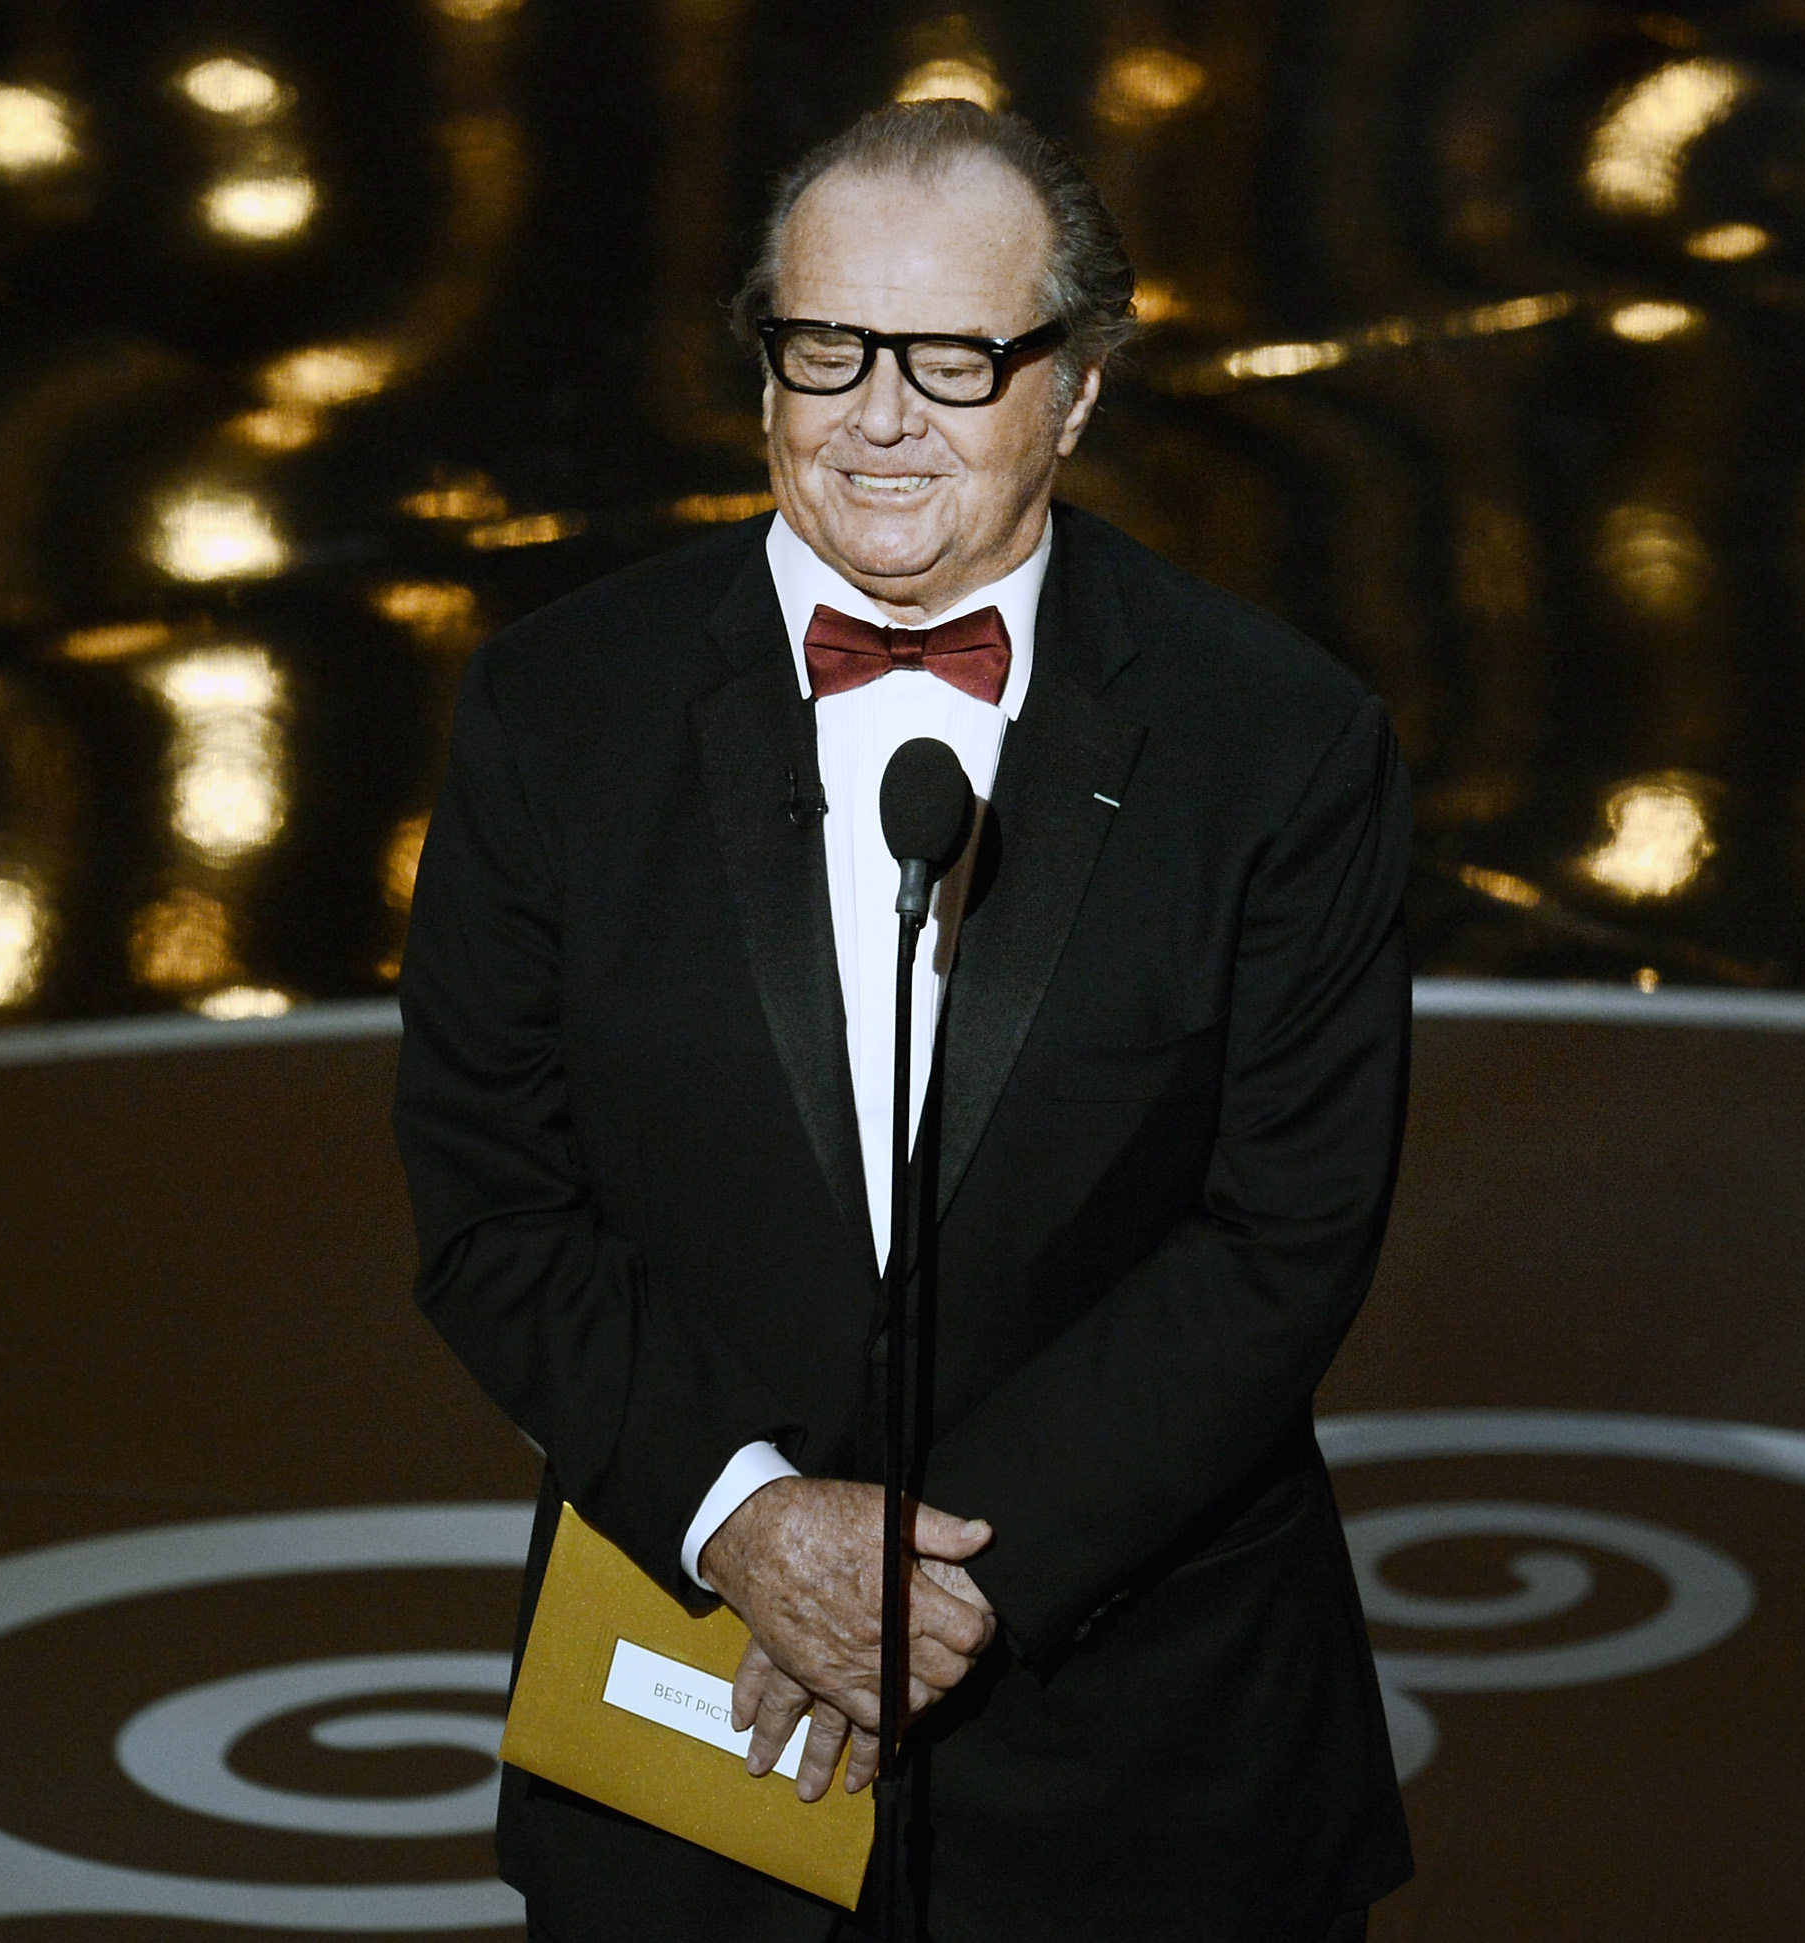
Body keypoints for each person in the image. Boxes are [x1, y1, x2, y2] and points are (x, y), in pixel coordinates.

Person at [395, 98, 1412, 1943]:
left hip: (1143, 1773)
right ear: (765, 365)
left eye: (954, 360)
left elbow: (1285, 1232)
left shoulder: (1279, 740)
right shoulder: (559, 714)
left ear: (1080, 387)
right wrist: (753, 1526)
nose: (879, 415)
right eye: (828, 349)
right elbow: (489, 1201)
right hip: (690, 1735)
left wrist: (921, 1592)